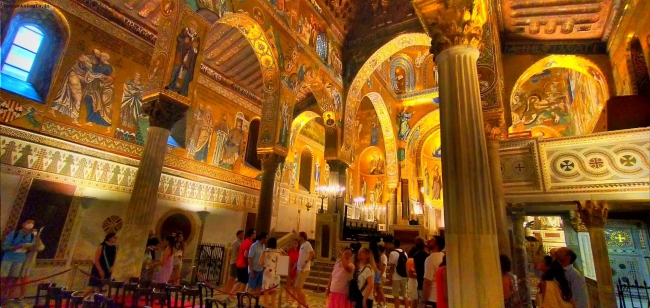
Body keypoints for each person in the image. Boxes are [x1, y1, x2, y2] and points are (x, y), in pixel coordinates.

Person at [1, 220, 36, 302]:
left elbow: (35, 247)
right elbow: (5, 247)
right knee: (3, 278)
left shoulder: (31, 236)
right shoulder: (14, 234)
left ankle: (9, 296)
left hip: (20, 259)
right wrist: (17, 247)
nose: (28, 229)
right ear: (23, 225)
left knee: (14, 278)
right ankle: (2, 295)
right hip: (8, 258)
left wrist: (29, 247)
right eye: (27, 225)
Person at [227, 229, 256, 304]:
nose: (255, 235)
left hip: (239, 263)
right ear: (252, 234)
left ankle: (232, 295)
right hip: (243, 264)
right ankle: (239, 299)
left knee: (240, 282)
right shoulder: (249, 243)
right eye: (254, 233)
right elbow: (246, 255)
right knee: (242, 282)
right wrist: (249, 264)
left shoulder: (244, 242)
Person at [19, 227, 44, 301]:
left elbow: (41, 247)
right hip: (16, 260)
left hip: (28, 262)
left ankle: (22, 295)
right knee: (12, 278)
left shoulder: (35, 239)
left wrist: (37, 237)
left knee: (24, 278)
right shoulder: (20, 237)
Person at [422, 236, 445, 307]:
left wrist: (424, 301)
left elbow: (427, 282)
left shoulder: (430, 259)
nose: (428, 241)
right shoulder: (444, 256)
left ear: (436, 246)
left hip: (432, 297)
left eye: (432, 240)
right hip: (441, 296)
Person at [260, 237, 283, 308]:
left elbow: (260, 263)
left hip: (267, 272)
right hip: (276, 272)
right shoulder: (279, 252)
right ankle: (273, 306)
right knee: (274, 291)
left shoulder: (265, 251)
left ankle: (265, 305)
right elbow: (281, 263)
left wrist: (266, 264)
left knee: (266, 290)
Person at [388, 238, 410, 308]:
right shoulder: (405, 253)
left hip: (396, 277)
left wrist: (390, 278)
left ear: (393, 244)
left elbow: (391, 267)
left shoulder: (392, 253)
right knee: (405, 295)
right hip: (404, 276)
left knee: (396, 295)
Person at [294, 231, 314, 306]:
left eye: (298, 236)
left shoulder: (307, 244)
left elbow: (312, 253)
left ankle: (305, 304)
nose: (297, 237)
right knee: (297, 288)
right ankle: (299, 305)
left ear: (302, 237)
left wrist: (305, 262)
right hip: (299, 268)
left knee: (298, 288)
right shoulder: (302, 245)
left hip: (304, 269)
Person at [369, 241, 387, 308]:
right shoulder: (378, 255)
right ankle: (380, 303)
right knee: (376, 289)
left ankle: (373, 302)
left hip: (372, 273)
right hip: (377, 273)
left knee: (373, 289)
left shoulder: (370, 254)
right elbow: (380, 267)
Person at [413, 238, 430, 305]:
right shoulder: (428, 255)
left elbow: (415, 269)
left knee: (421, 302)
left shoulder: (415, 255)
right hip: (427, 280)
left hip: (419, 281)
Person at [285, 239, 300, 308]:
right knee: (288, 286)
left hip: (296, 269)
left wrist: (294, 266)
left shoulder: (299, 251)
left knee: (294, 286)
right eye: (293, 243)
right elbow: (287, 257)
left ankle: (293, 301)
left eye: (296, 243)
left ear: (298, 244)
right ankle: (286, 301)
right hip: (289, 268)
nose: (294, 244)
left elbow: (299, 260)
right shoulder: (290, 250)